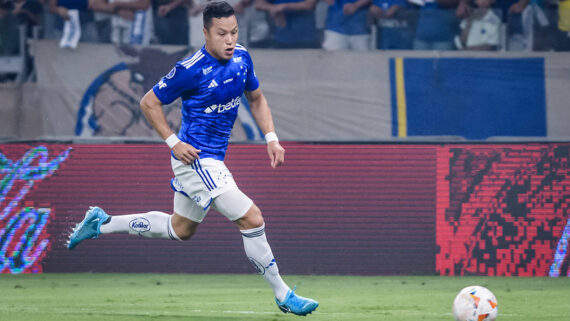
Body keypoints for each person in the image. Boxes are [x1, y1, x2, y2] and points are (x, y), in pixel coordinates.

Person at [67, 1, 319, 316]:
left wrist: (271, 137)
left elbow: (256, 97)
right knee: (252, 218)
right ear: (206, 33)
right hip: (196, 158)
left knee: (180, 229)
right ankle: (283, 294)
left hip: (212, 160)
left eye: (234, 32)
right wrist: (173, 142)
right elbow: (149, 102)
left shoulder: (242, 57)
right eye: (222, 33)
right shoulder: (190, 69)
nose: (229, 40)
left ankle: (101, 223)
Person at [255, 0, 319, 48]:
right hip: (281, 37)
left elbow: (309, 5)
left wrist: (283, 6)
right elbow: (259, 4)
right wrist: (272, 8)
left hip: (305, 37)